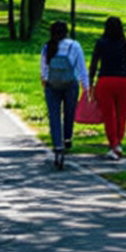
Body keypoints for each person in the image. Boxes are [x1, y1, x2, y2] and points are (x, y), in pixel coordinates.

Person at [40, 21, 89, 160]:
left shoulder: (47, 46)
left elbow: (43, 68)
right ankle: (67, 138)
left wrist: (45, 81)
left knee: (54, 115)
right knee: (69, 112)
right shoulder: (74, 46)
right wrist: (86, 86)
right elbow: (81, 68)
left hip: (52, 84)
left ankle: (57, 145)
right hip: (70, 84)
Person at [89, 16, 126, 160]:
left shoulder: (101, 43)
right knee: (122, 114)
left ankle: (113, 144)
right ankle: (118, 142)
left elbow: (94, 62)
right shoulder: (124, 43)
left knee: (109, 115)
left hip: (105, 80)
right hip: (123, 80)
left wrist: (90, 81)